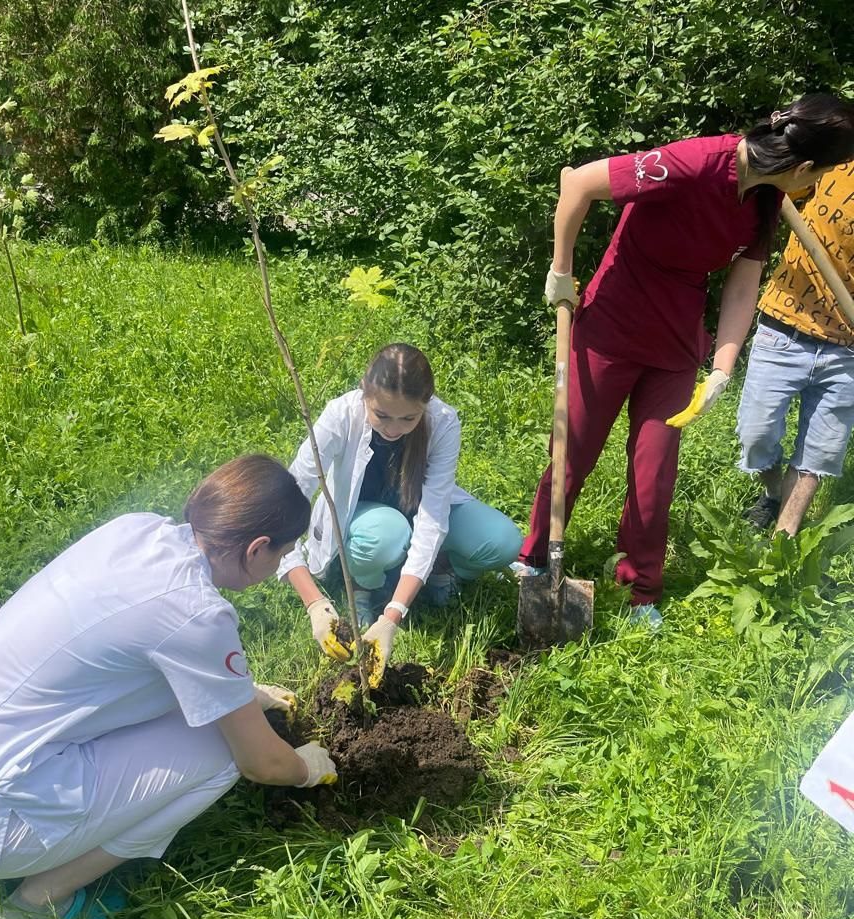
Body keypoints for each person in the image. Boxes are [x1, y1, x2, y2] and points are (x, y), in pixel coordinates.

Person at [0, 455, 336, 919]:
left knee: (215, 725)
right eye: (279, 556)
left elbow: (131, 651)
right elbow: (262, 763)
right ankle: (30, 912)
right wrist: (306, 769)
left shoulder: (134, 531)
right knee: (222, 753)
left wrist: (241, 693)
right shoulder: (197, 614)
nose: (277, 566)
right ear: (257, 549)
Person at [516, 93, 854, 629]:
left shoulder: (765, 199)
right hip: (611, 327)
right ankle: (533, 559)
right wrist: (561, 271)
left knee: (653, 478)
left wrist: (722, 366)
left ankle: (641, 591)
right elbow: (578, 182)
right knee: (572, 449)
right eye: (822, 175)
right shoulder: (693, 163)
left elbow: (742, 287)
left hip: (675, 347)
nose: (814, 188)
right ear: (805, 168)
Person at [280, 343, 522, 685]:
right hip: (370, 522)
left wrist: (393, 616)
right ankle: (365, 584)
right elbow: (286, 501)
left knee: (502, 540)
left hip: (413, 512)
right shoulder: (340, 416)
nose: (393, 429)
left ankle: (439, 569)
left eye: (409, 418)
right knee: (385, 534)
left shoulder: (442, 422)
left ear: (425, 406)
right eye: (382, 415)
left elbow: (435, 514)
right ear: (364, 390)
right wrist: (315, 604)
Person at [738, 161, 854, 534]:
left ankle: (783, 542)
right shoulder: (837, 161)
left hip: (847, 349)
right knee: (755, 434)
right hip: (784, 326)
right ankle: (773, 495)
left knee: (820, 451)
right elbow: (776, 186)